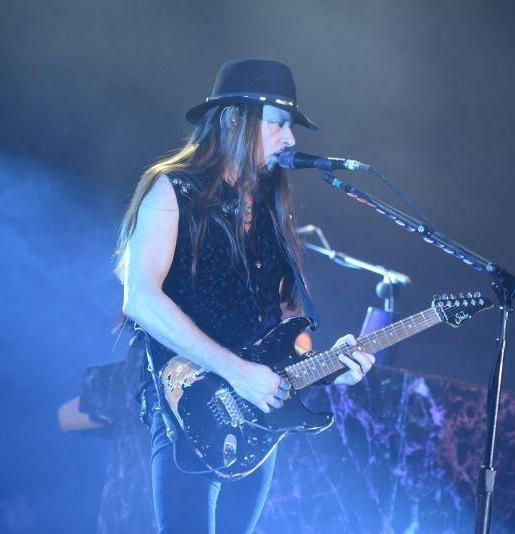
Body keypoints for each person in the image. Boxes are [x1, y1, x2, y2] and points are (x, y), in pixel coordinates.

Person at [113, 59, 375, 533]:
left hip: (255, 419)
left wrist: (329, 365)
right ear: (235, 119)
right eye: (278, 123)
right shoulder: (172, 188)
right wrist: (236, 371)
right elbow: (141, 299)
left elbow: (288, 328)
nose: (290, 139)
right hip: (189, 407)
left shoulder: (273, 209)